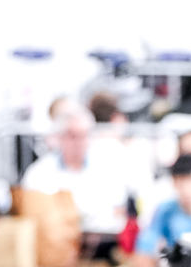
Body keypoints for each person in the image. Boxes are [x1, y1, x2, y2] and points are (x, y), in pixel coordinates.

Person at [20, 102, 135, 252]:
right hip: (55, 250)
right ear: (60, 137)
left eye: (84, 135)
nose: (79, 143)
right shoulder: (39, 173)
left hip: (102, 249)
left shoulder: (107, 168)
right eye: (72, 136)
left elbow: (119, 211)